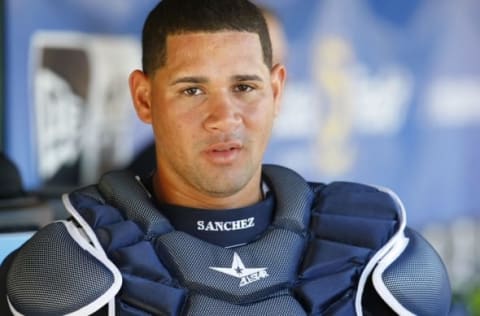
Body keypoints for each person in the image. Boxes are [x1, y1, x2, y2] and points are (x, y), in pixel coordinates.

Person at [0, 0, 451, 315]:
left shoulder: (379, 259)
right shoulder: (70, 268)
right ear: (143, 97)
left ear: (276, 91)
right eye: (192, 89)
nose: (223, 117)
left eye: (244, 87)